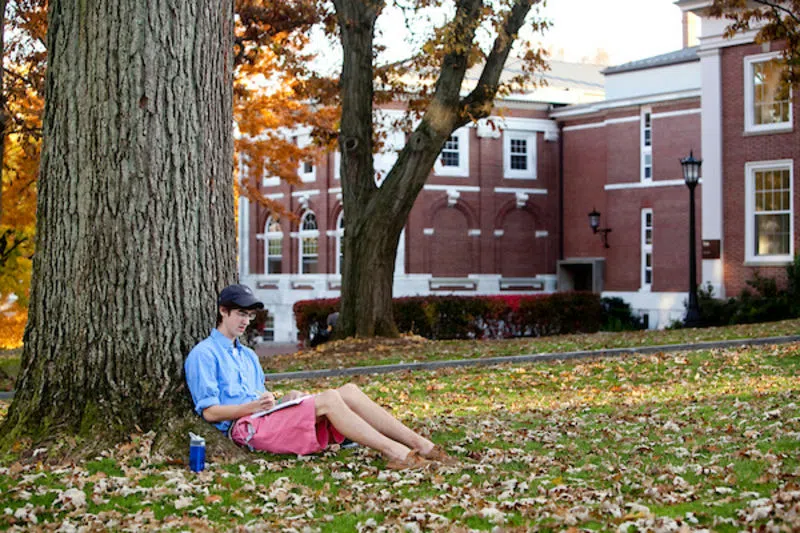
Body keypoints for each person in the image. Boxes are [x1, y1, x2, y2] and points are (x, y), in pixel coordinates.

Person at [184, 284, 455, 469]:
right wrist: (252, 407)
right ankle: (394, 452)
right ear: (223, 311)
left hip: (263, 418)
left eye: (250, 315)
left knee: (348, 390)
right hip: (242, 428)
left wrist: (282, 401)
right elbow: (210, 413)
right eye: (241, 314)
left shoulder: (247, 356)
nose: (245, 321)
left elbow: (261, 401)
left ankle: (420, 444)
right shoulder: (204, 355)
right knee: (329, 399)